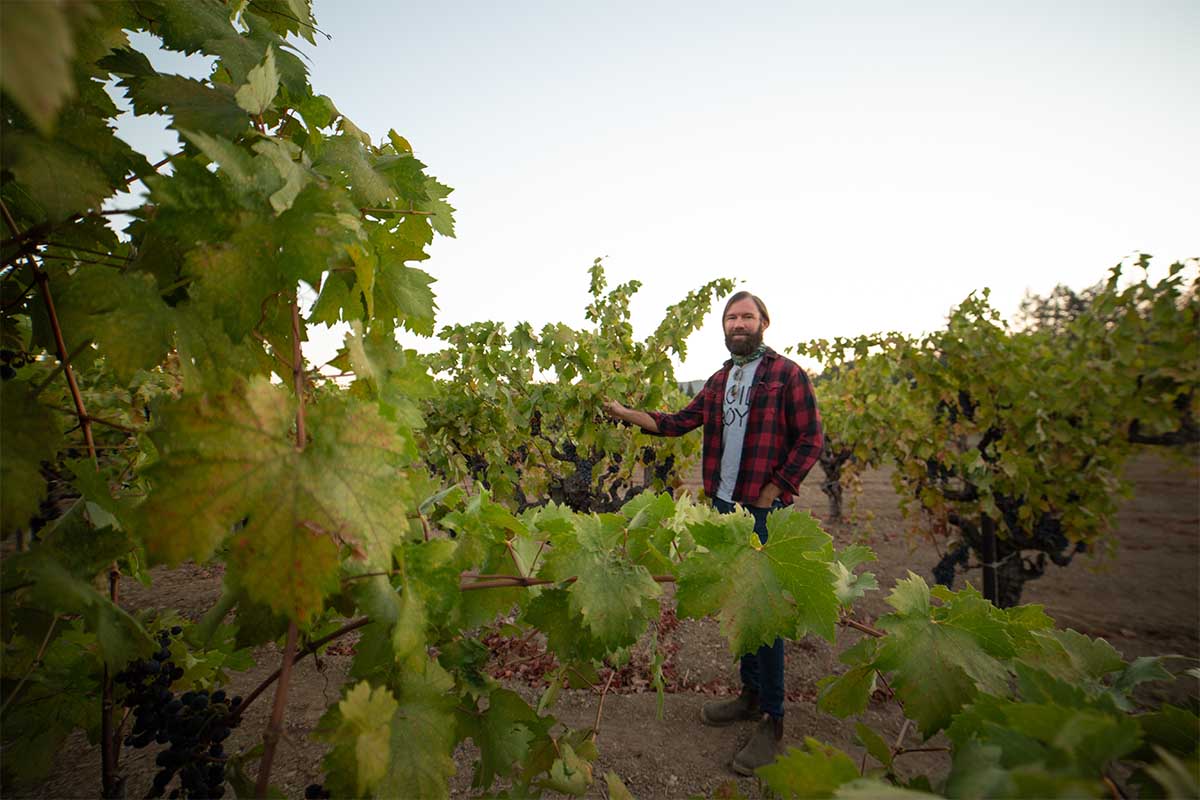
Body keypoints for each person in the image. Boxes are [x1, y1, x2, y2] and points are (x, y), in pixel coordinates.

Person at [603, 290, 823, 775]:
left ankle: (774, 717)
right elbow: (677, 423)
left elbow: (812, 438)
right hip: (723, 508)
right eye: (731, 316)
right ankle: (748, 695)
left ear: (764, 322)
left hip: (763, 512)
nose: (739, 322)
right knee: (739, 609)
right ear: (724, 326)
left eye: (747, 315)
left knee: (764, 615)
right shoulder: (720, 380)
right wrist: (624, 413)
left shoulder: (787, 374)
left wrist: (775, 488)